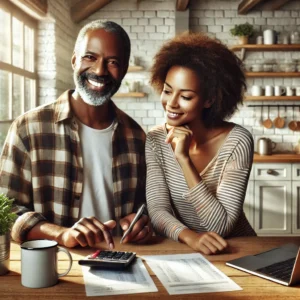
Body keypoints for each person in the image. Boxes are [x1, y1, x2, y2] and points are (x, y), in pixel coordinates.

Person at [0, 20, 152, 249]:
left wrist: (140, 223)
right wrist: (61, 234)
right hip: (55, 265)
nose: (100, 70)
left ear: (124, 70)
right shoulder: (27, 129)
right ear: (74, 60)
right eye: (90, 57)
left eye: (112, 62)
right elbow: (5, 211)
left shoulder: (136, 137)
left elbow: (145, 208)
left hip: (121, 260)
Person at [146, 32, 256, 255]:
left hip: (239, 249)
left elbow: (219, 226)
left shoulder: (237, 141)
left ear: (210, 99)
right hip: (192, 249)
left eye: (185, 97)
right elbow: (158, 210)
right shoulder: (156, 140)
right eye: (168, 91)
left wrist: (184, 159)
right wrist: (190, 238)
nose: (171, 104)